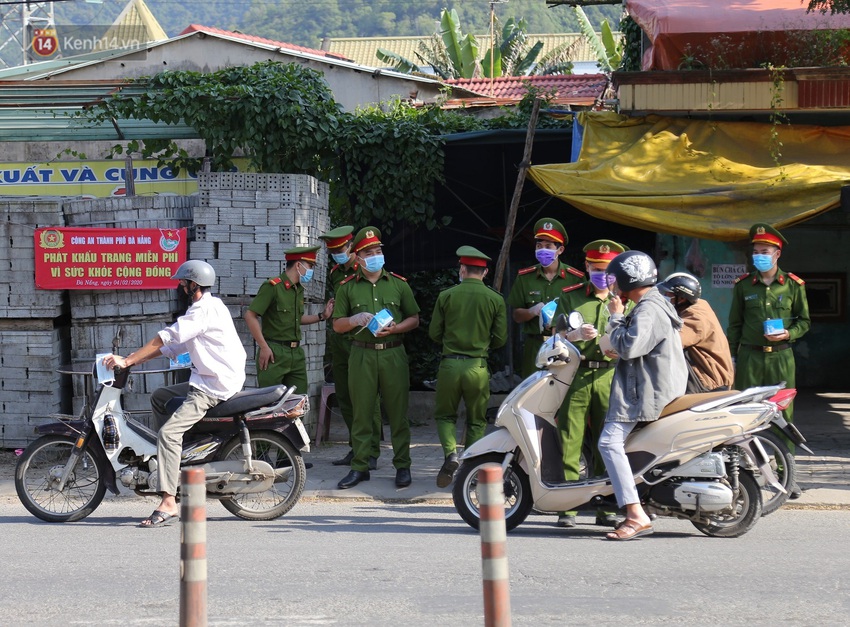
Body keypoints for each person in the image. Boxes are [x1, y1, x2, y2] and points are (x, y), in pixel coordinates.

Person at [102, 260, 247, 528]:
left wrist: (129, 360)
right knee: (160, 396)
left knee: (169, 434)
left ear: (194, 285)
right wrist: (132, 360)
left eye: (183, 283)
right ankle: (171, 458)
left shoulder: (202, 310)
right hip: (210, 376)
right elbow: (170, 346)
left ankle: (168, 501)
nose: (180, 288)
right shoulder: (206, 307)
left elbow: (165, 338)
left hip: (212, 385)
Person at [598, 251, 688, 541]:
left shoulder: (648, 308)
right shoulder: (654, 303)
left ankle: (636, 513)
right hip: (654, 387)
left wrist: (615, 318)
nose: (611, 285)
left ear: (628, 278)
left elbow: (629, 347)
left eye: (614, 278)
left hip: (647, 392)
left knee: (609, 442)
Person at [332, 227, 420, 489]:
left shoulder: (398, 284)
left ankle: (402, 465)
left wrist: (396, 328)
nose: (375, 256)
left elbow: (414, 318)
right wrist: (355, 319)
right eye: (368, 252)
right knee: (361, 413)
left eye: (378, 251)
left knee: (398, 414)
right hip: (361, 354)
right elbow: (337, 325)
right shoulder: (346, 288)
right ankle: (360, 466)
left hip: (393, 352)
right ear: (357, 258)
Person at [726, 223, 811, 496]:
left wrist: (789, 332)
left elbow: (805, 321)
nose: (758, 256)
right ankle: (743, 473)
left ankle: (788, 476)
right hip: (750, 357)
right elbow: (735, 325)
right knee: (744, 415)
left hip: (782, 357)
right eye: (755, 252)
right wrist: (731, 357)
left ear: (777, 254)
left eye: (764, 251)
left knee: (784, 416)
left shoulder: (793, 286)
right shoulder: (742, 286)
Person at [552, 239, 628, 529]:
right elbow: (554, 335)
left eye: (608, 270)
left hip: (611, 375)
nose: (602, 275)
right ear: (586, 267)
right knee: (569, 439)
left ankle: (606, 506)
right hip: (578, 374)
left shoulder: (626, 299)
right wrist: (574, 336)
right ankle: (568, 507)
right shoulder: (571, 297)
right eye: (597, 269)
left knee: (607, 442)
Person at [429, 246, 507, 488]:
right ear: (484, 273)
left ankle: (450, 454)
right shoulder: (495, 299)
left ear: (462, 269)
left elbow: (434, 333)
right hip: (478, 366)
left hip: (450, 365)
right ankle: (470, 467)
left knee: (445, 415)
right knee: (476, 420)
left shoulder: (446, 296)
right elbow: (500, 339)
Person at [318, 226, 381, 470]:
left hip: (361, 340)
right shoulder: (336, 272)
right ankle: (357, 448)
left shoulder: (366, 269)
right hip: (341, 342)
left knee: (367, 398)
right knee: (344, 396)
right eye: (332, 251)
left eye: (341, 249)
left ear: (351, 248)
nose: (337, 254)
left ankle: (372, 450)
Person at [244, 246, 334, 393]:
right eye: (310, 266)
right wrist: (264, 347)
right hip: (274, 352)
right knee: (270, 404)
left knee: (298, 404)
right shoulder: (272, 287)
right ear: (298, 265)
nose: (311, 271)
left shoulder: (298, 289)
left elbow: (297, 319)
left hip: (296, 353)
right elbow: (250, 315)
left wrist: (321, 316)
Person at [507, 218, 584, 378]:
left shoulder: (575, 278)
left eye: (548, 246)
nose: (542, 250)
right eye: (539, 246)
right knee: (531, 395)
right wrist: (532, 311)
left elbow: (583, 314)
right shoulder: (525, 277)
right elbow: (516, 315)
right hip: (535, 345)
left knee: (562, 394)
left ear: (560, 250)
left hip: (565, 345)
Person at [657, 272, 735, 393]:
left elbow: (668, 343)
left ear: (681, 298)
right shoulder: (694, 307)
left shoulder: (695, 316)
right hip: (707, 377)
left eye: (668, 294)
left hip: (708, 381)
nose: (665, 296)